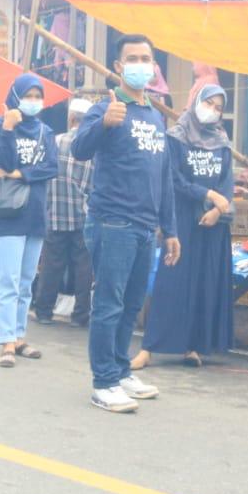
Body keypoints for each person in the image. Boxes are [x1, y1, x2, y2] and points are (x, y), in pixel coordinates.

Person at [72, 34, 180, 413]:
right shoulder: (106, 108)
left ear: (154, 66)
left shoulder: (154, 115)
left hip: (145, 227)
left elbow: (163, 176)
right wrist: (103, 123)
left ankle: (120, 371)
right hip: (112, 222)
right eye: (132, 58)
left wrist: (170, 228)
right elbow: (78, 149)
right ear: (118, 67)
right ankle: (102, 382)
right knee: (109, 303)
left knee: (132, 304)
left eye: (146, 58)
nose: (140, 64)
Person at [134, 84, 234, 370]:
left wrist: (217, 208)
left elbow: (227, 182)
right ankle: (149, 348)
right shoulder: (176, 137)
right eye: (209, 103)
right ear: (196, 102)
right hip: (182, 221)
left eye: (218, 107)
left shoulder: (222, 141)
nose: (212, 110)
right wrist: (206, 195)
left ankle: (193, 346)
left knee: (204, 283)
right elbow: (173, 179)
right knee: (172, 283)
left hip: (213, 225)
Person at [0, 74, 59, 368]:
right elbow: (2, 163)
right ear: (15, 97)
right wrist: (7, 127)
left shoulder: (46, 131)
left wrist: (22, 173)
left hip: (35, 213)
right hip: (8, 214)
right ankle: (6, 340)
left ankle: (19, 336)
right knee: (8, 279)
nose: (33, 101)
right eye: (27, 95)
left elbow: (51, 167)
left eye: (37, 96)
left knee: (27, 280)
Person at [35, 98, 95, 327]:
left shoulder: (54, 141)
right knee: (83, 267)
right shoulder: (92, 149)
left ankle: (43, 312)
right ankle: (80, 316)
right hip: (83, 215)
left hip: (54, 214)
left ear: (70, 118)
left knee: (52, 265)